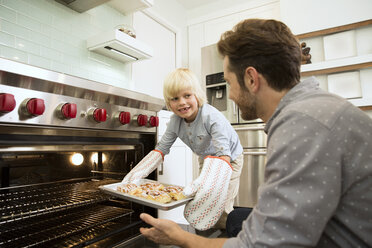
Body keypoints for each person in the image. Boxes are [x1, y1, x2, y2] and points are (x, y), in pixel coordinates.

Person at [139, 18, 372, 247]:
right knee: (236, 217)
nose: (228, 95)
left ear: (251, 78)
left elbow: (262, 245)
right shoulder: (310, 110)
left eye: (229, 83)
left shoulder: (302, 127)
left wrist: (180, 237)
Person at [123, 68, 243, 230]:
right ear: (169, 102)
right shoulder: (175, 122)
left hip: (229, 160)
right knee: (203, 198)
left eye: (187, 96)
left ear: (197, 96)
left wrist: (211, 185)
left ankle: (227, 234)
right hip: (207, 158)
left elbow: (224, 155)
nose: (182, 102)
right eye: (175, 98)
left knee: (219, 201)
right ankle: (208, 234)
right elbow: (161, 149)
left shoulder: (212, 117)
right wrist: (136, 174)